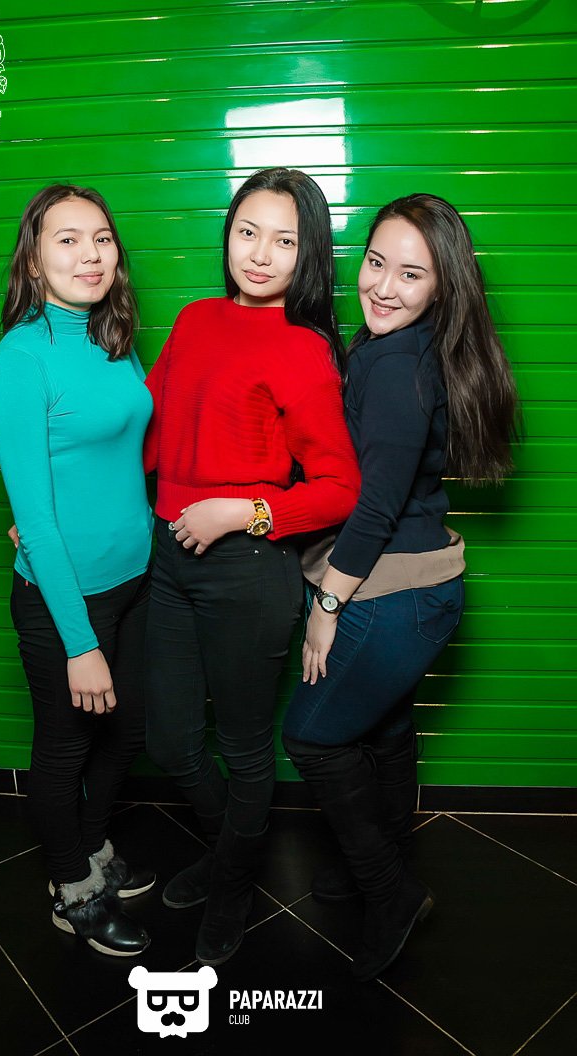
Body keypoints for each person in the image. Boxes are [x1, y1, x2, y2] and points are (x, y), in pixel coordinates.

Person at [282, 193, 520, 982]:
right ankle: (376, 862)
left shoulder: (393, 364)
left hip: (390, 595)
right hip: (423, 589)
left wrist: (327, 605)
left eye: (410, 274)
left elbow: (377, 505)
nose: (383, 287)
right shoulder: (409, 347)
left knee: (313, 737)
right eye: (376, 263)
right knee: (382, 730)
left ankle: (390, 890)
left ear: (443, 284)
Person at [142, 167, 361, 967]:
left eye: (284, 240)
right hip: (167, 556)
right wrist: (58, 505)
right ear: (228, 234)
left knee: (241, 749)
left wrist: (242, 510)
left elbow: (340, 487)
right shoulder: (195, 319)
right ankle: (235, 851)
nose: (260, 254)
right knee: (169, 740)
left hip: (247, 568)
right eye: (247, 232)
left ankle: (232, 884)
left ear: (309, 254)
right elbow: (147, 436)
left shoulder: (303, 348)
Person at [0, 184, 156, 957]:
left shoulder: (113, 338)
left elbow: (121, 456)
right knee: (65, 750)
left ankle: (92, 848)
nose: (90, 254)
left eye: (102, 238)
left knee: (125, 735)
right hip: (65, 603)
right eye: (67, 239)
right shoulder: (21, 358)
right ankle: (72, 890)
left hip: (134, 581)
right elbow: (39, 517)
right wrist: (80, 642)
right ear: (33, 259)